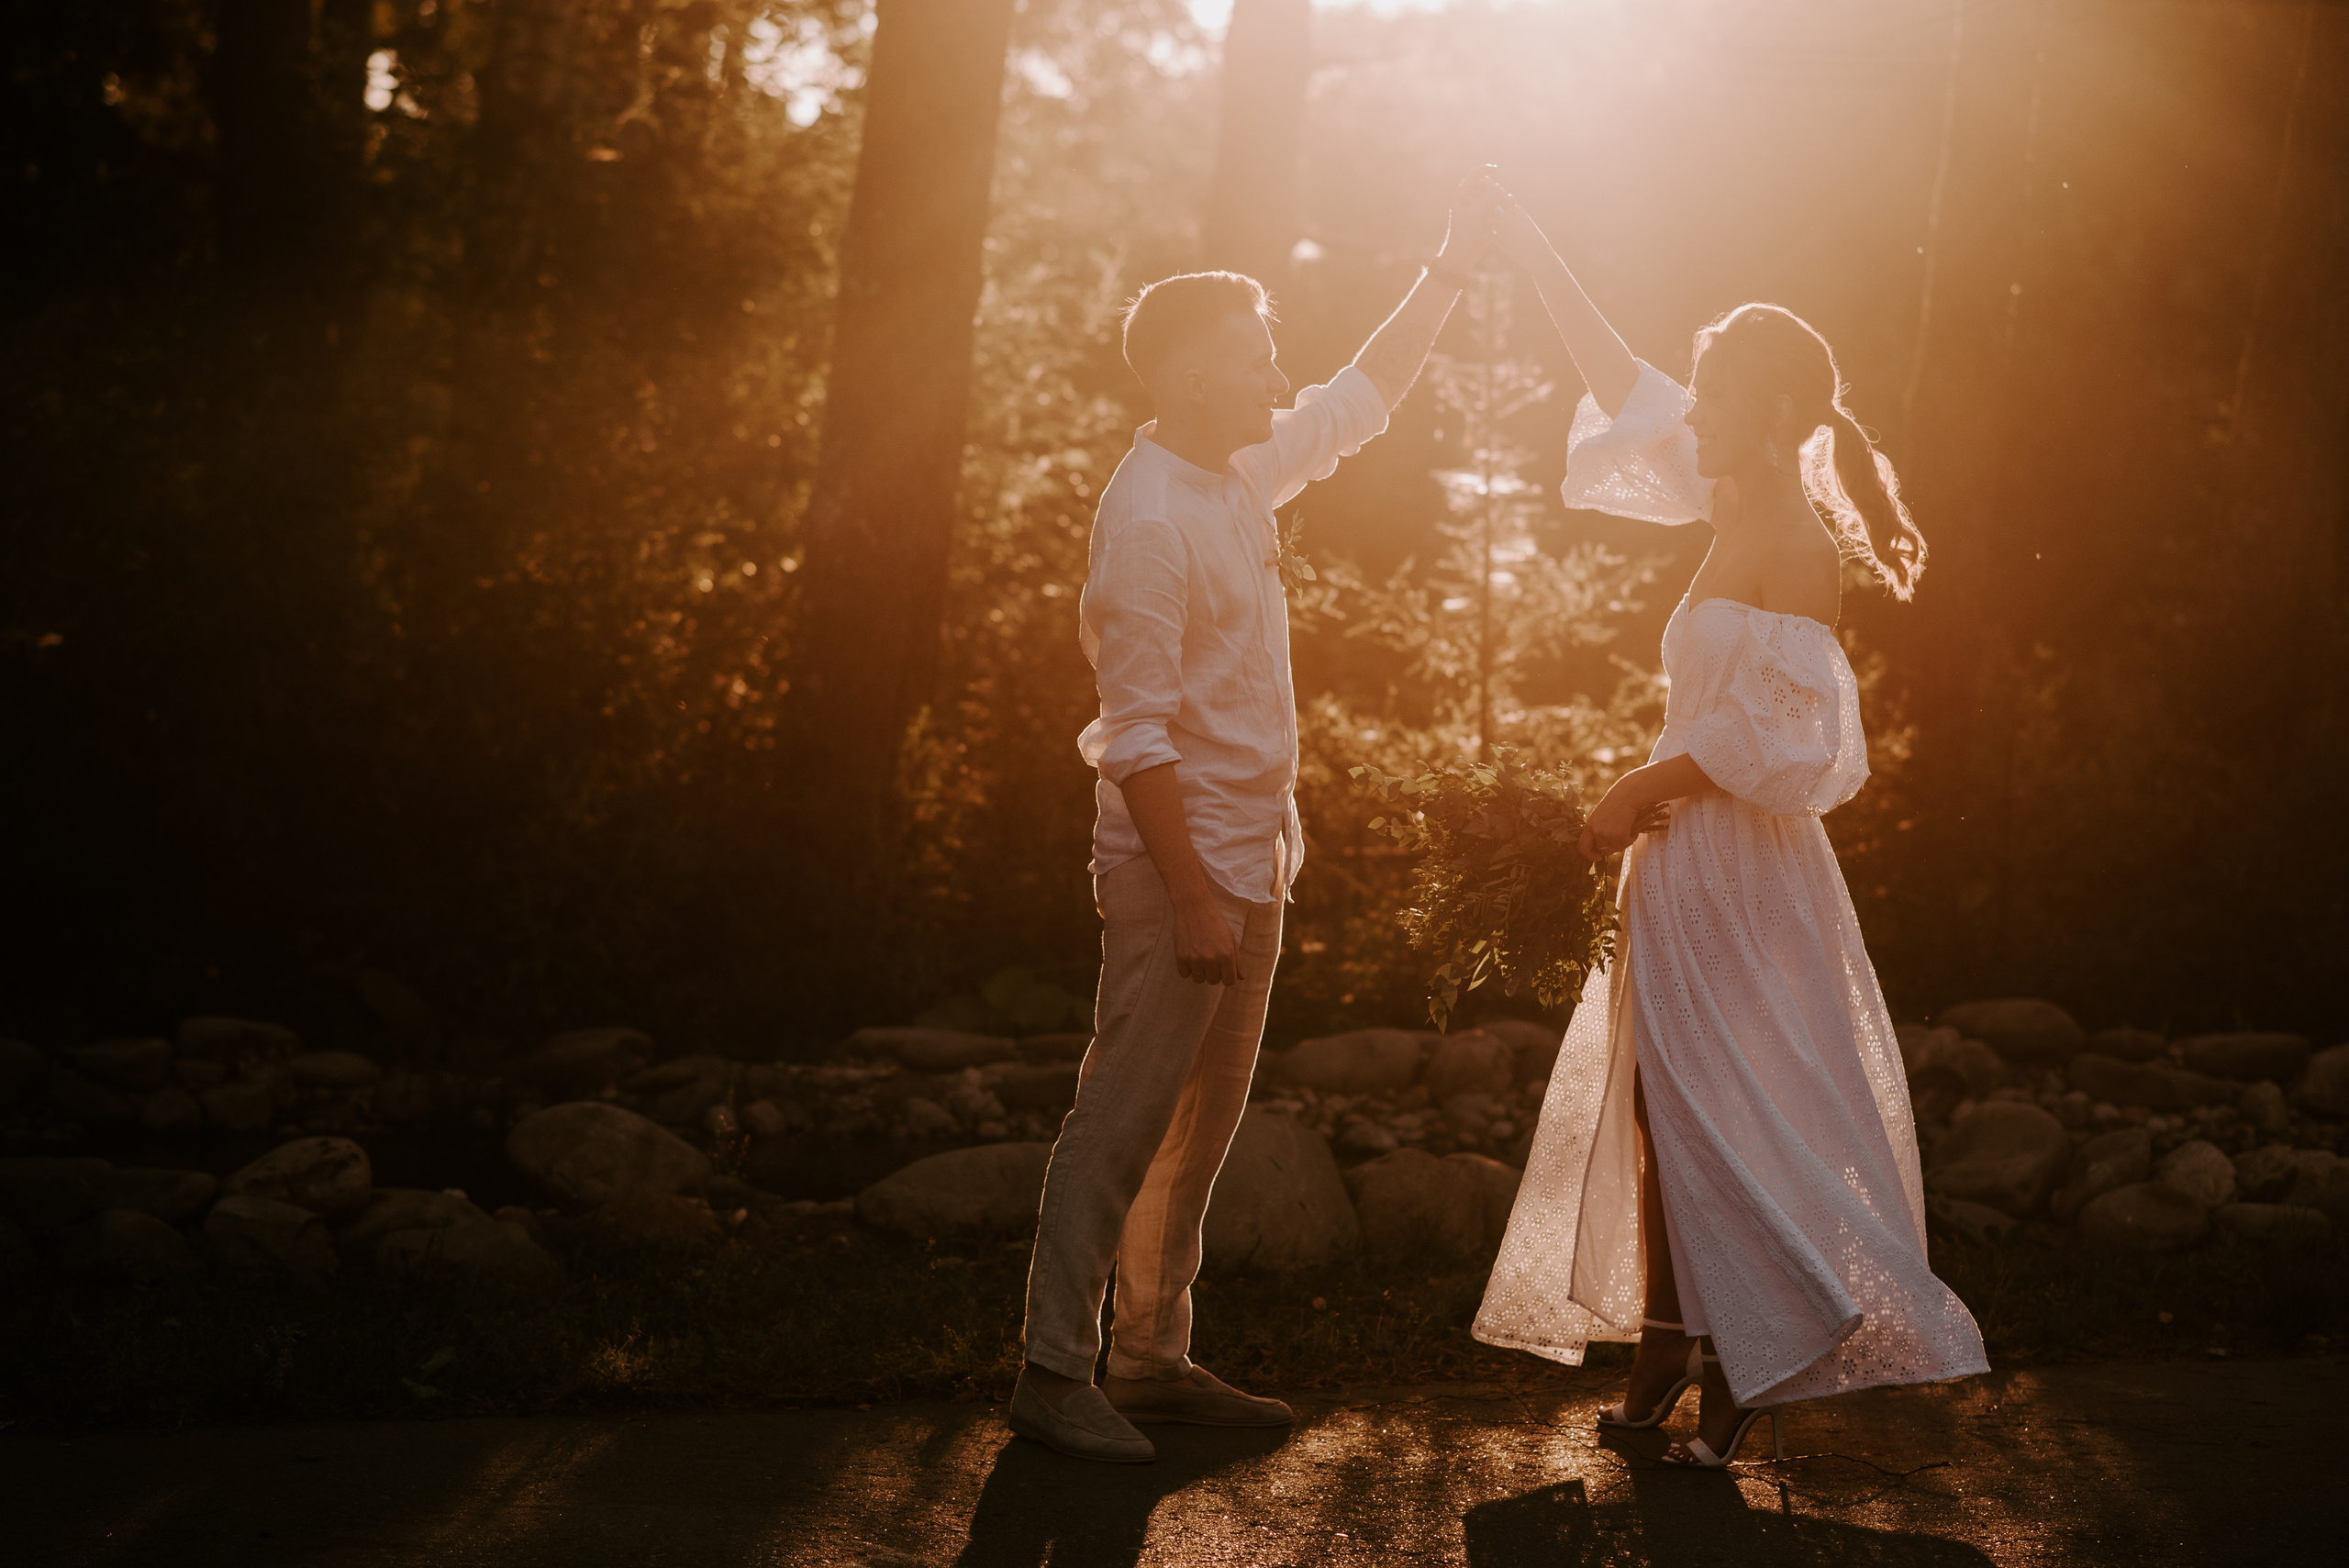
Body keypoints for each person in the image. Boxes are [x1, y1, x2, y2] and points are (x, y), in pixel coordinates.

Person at [1469, 194, 1988, 1468]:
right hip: (1680, 861)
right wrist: (1536, 252)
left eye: (1710, 390)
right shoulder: (1729, 501)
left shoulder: (1798, 545)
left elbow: (1788, 744)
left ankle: (1759, 1350)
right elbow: (1625, 389)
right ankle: (1667, 1334)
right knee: (1661, 1103)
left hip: (1739, 866)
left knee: (1730, 1107)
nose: (1688, 407)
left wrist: (1635, 789)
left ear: (1761, 408)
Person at [1010, 171, 1506, 1464]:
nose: (1274, 370)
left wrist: (1449, 268)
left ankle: (1154, 1361)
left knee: (1198, 1131)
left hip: (1249, 867)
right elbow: (1137, 736)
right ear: (1179, 382)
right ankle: (1054, 1374)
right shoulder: (1152, 524)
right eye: (1249, 356)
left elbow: (1362, 397)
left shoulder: (1234, 472)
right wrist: (1188, 892)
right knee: (1120, 1118)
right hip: (1182, 875)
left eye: (1269, 348)